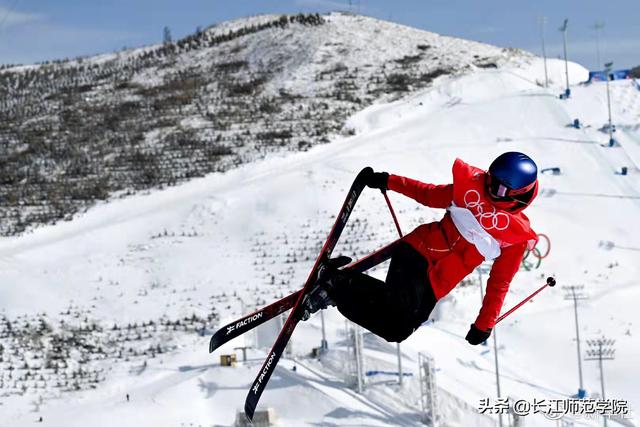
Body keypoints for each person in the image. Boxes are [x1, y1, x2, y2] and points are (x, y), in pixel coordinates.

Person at [303, 152, 539, 345]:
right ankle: (336, 285)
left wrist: (484, 323)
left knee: (397, 330)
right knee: (396, 309)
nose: (489, 189)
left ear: (518, 195)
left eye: (498, 188)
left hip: (439, 283)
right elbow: (427, 194)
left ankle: (340, 284)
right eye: (489, 179)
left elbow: (500, 282)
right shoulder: (471, 191)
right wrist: (389, 180)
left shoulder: (514, 237)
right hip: (420, 251)